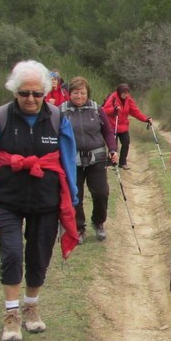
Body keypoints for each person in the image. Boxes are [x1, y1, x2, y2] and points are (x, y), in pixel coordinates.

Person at [0, 60, 79, 341]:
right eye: (24, 93)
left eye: (36, 93)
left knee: (39, 255)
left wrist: (73, 197)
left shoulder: (57, 119)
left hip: (46, 200)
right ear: (14, 92)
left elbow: (67, 160)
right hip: (7, 200)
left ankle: (31, 307)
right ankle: (11, 314)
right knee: (11, 253)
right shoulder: (1, 117)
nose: (30, 99)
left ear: (46, 92)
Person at [60, 76, 117, 243]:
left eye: (82, 93)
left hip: (96, 158)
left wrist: (113, 149)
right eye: (75, 93)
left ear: (88, 93)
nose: (79, 96)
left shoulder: (96, 109)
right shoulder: (61, 111)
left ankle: (98, 222)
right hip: (71, 160)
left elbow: (107, 132)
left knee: (101, 192)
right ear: (69, 93)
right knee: (75, 194)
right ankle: (79, 227)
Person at [102, 82, 151, 169]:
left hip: (123, 126)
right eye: (124, 93)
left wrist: (145, 119)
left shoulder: (128, 99)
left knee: (126, 143)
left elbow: (135, 111)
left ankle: (122, 162)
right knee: (113, 145)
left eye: (127, 93)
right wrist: (114, 109)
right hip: (113, 126)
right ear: (119, 92)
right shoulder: (113, 97)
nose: (125, 95)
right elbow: (104, 110)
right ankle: (110, 163)